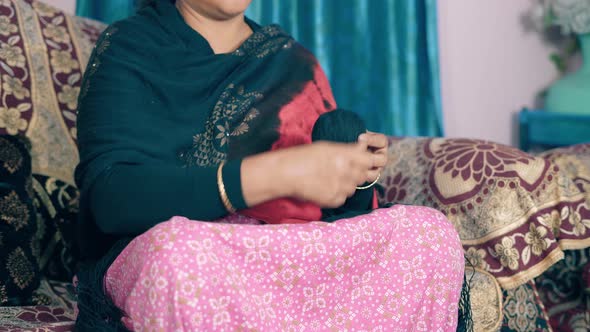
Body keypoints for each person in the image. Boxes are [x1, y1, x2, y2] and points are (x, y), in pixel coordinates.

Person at [74, 0, 466, 330]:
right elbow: (112, 199)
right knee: (180, 257)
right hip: (203, 255)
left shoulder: (292, 62)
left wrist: (356, 175)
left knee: (427, 234)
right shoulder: (129, 47)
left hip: (291, 253)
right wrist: (277, 174)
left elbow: (337, 214)